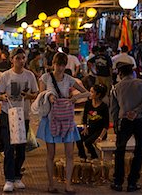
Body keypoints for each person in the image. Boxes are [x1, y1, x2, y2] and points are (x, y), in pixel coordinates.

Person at [36, 52, 90, 194]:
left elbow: (87, 93)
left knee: (70, 154)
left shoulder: (69, 79)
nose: (59, 68)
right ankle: (51, 184)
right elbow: (40, 97)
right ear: (53, 64)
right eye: (57, 64)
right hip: (50, 118)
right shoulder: (45, 78)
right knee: (50, 153)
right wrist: (49, 96)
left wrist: (74, 98)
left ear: (65, 65)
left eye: (62, 65)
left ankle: (68, 185)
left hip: (66, 118)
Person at [0, 48, 39, 192]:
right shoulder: (5, 76)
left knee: (21, 148)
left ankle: (17, 176)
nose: (21, 61)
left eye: (23, 58)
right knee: (9, 147)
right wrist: (4, 98)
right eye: (18, 58)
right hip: (7, 113)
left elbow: (35, 93)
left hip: (23, 115)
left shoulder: (30, 75)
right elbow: (0, 95)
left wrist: (27, 96)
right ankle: (8, 179)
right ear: (12, 59)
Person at [110, 63, 142, 192]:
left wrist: (115, 124)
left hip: (124, 121)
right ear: (133, 72)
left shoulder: (115, 88)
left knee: (120, 151)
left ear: (120, 74)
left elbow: (114, 109)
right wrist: (137, 111)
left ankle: (118, 182)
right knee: (139, 151)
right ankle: (132, 182)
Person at [76, 84, 109, 162]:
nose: (89, 94)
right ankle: (82, 156)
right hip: (90, 129)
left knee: (88, 142)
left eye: (92, 92)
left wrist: (100, 137)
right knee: (78, 137)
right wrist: (85, 127)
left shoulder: (103, 106)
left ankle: (94, 156)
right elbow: (84, 118)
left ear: (98, 95)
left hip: (100, 131)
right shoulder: (88, 103)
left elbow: (106, 124)